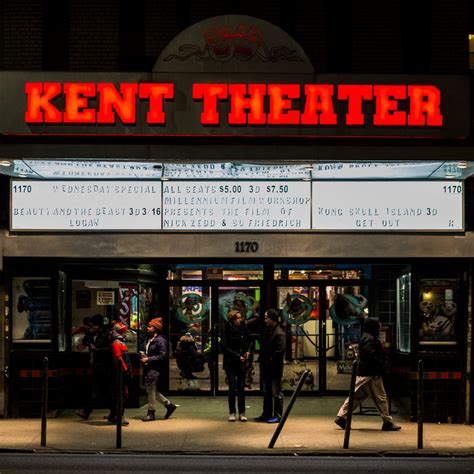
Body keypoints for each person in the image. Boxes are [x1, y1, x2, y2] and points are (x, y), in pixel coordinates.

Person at [334, 317, 401, 431]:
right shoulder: (370, 339)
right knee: (381, 397)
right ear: (373, 326)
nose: (380, 326)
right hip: (371, 373)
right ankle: (387, 422)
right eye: (378, 324)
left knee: (356, 397)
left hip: (365, 372)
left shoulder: (366, 337)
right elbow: (370, 355)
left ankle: (341, 417)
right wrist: (380, 364)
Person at [140, 316, 177, 422]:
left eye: (150, 327)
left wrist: (148, 359)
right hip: (149, 366)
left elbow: (163, 355)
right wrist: (142, 353)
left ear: (155, 329)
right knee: (151, 389)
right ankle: (169, 405)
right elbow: (144, 348)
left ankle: (151, 412)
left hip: (155, 368)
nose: (147, 328)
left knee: (150, 389)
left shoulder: (160, 340)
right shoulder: (148, 338)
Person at [75, 314, 112, 420]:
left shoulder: (106, 335)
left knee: (101, 390)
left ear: (99, 325)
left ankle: (87, 411)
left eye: (93, 325)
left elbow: (110, 349)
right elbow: (85, 341)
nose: (91, 327)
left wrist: (97, 350)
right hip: (96, 366)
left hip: (104, 367)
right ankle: (114, 412)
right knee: (103, 391)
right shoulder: (93, 334)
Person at [255, 308, 285, 424]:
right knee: (267, 391)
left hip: (275, 367)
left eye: (267, 318)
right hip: (267, 366)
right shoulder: (268, 330)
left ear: (273, 319)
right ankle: (266, 413)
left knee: (276, 391)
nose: (265, 320)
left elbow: (279, 351)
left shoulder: (279, 333)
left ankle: (277, 415)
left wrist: (268, 361)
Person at [222, 309, 251, 422]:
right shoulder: (226, 329)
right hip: (230, 361)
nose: (240, 320)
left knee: (241, 387)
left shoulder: (243, 328)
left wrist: (248, 351)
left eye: (240, 317)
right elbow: (225, 347)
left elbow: (250, 340)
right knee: (232, 387)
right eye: (238, 318)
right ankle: (232, 412)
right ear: (232, 319)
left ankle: (242, 412)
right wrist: (237, 356)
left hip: (241, 361)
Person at [108, 320, 132, 425]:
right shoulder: (117, 343)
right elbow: (118, 358)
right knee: (121, 395)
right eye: (124, 331)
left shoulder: (119, 342)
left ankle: (114, 415)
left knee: (121, 394)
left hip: (121, 372)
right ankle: (118, 416)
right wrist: (125, 369)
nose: (126, 333)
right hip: (120, 373)